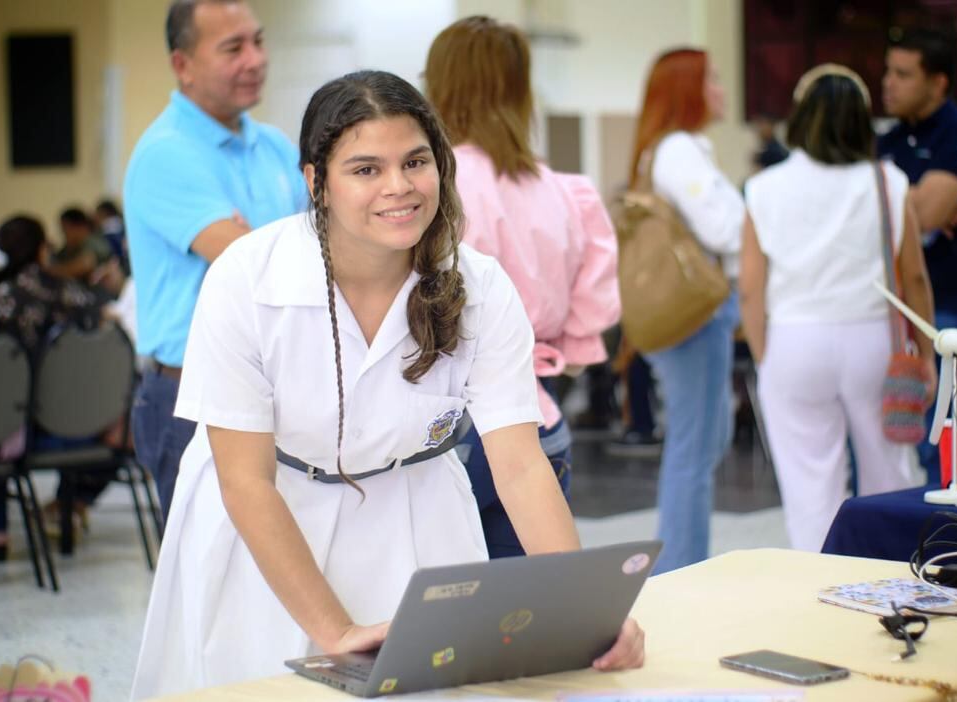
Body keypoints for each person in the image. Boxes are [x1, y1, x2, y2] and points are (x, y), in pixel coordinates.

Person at [129, 70, 644, 699]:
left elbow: (519, 467)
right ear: (316, 182)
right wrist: (336, 629)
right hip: (267, 523)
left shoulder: (478, 286)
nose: (398, 187)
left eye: (415, 162)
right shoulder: (247, 279)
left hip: (416, 513)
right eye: (366, 169)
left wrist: (588, 611)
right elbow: (246, 480)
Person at [423, 16, 621, 558]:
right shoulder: (563, 191)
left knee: (444, 595)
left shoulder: (434, 185)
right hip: (540, 417)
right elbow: (593, 309)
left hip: (453, 422)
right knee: (530, 596)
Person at [124, 0, 307, 522]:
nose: (256, 59)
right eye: (233, 48)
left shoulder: (273, 146)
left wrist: (262, 242)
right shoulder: (167, 152)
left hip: (278, 386)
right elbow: (253, 266)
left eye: (258, 41)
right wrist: (268, 246)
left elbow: (324, 248)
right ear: (182, 65)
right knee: (208, 565)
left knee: (280, 559)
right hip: (193, 395)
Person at [740, 64, 937, 552]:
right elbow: (914, 278)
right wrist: (927, 355)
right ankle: (891, 573)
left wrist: (765, 355)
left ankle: (819, 579)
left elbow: (750, 288)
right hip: (873, 338)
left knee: (809, 482)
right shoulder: (888, 181)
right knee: (889, 471)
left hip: (793, 338)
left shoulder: (765, 187)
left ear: (800, 117)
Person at [628, 48, 743, 574]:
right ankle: (682, 568)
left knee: (702, 441)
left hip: (695, 314)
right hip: (694, 316)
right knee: (694, 449)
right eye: (711, 79)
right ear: (688, 90)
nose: (721, 89)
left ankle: (681, 562)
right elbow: (722, 228)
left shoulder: (676, 148)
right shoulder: (677, 150)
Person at [879, 28, 957, 485]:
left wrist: (898, 205)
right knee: (877, 444)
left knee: (939, 445)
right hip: (890, 313)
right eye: (888, 71)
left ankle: (944, 528)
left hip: (946, 309)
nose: (888, 83)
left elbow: (925, 215)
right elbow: (917, 213)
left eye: (903, 74)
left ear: (938, 82)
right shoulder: (887, 142)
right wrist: (916, 202)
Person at [0, 215, 105, 559]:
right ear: (42, 250)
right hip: (80, 425)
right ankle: (70, 505)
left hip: (19, 429)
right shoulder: (74, 294)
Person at [47, 207, 112, 286]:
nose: (63, 233)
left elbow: (85, 264)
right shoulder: (70, 248)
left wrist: (50, 271)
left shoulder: (94, 242)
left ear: (79, 226)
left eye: (65, 228)